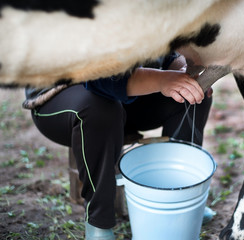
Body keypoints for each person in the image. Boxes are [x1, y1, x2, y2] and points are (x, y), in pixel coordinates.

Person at [23, 52, 213, 239]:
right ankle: (98, 221)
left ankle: (182, 201)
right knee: (99, 109)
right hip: (60, 95)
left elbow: (165, 53)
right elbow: (103, 80)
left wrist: (181, 69)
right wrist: (163, 81)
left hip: (128, 90)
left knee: (194, 93)